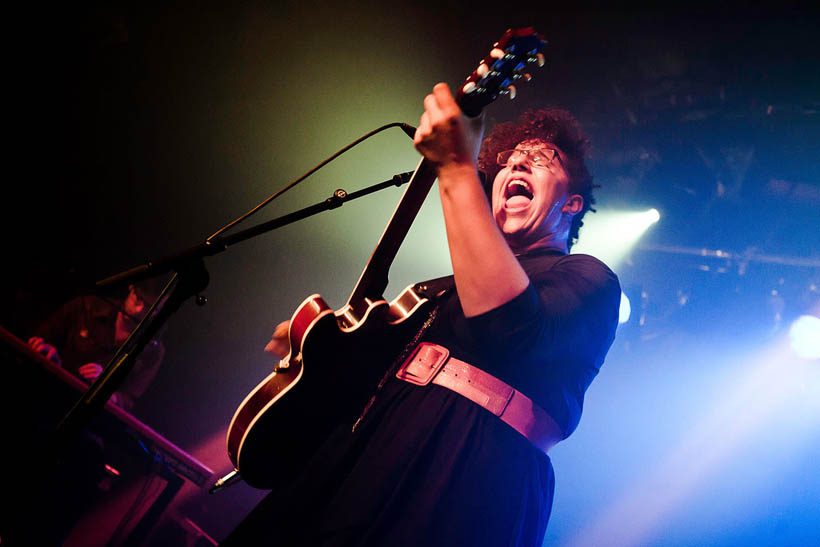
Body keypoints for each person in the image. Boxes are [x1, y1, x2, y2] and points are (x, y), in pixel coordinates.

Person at [224, 83, 621, 546]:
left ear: (571, 204)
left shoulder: (590, 279)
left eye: (541, 159)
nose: (516, 163)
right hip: (368, 453)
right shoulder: (444, 289)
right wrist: (319, 352)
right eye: (511, 159)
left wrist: (455, 168)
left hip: (465, 474)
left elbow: (509, 328)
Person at [28, 281, 166, 411]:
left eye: (149, 307)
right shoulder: (86, 306)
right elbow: (41, 337)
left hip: (86, 416)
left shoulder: (152, 350)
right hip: (42, 394)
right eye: (139, 299)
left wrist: (106, 392)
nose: (138, 310)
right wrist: (47, 351)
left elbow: (128, 398)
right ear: (131, 288)